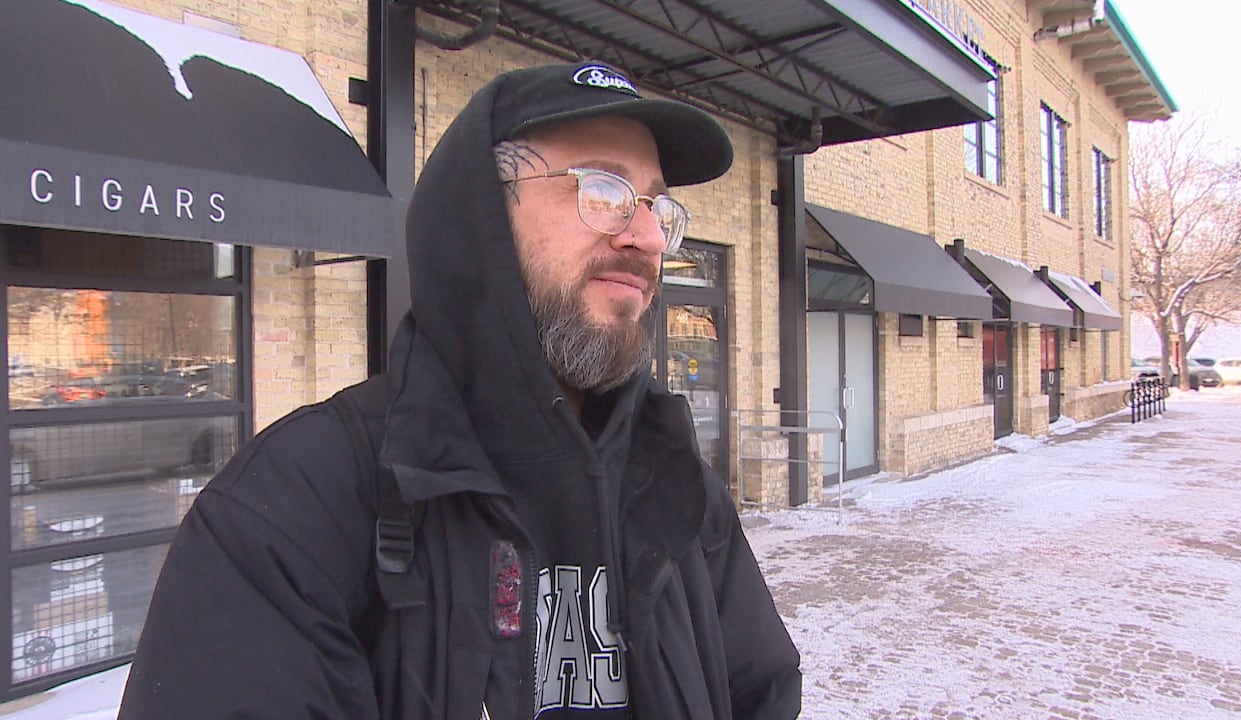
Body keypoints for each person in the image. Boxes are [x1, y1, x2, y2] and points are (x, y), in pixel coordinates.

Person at [119, 61, 801, 719]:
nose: (649, 237)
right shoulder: (294, 509)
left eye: (657, 207)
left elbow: (761, 692)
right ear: (482, 221)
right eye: (604, 192)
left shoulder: (679, 489)